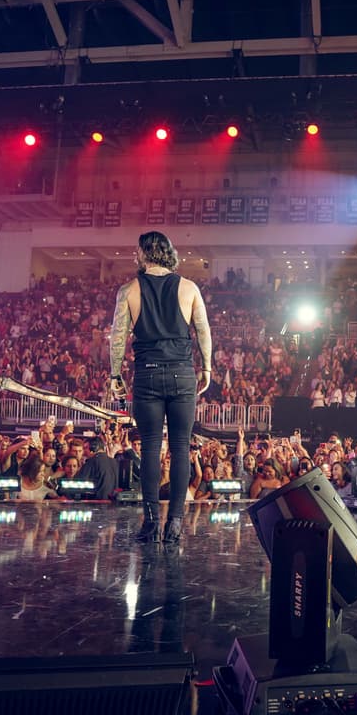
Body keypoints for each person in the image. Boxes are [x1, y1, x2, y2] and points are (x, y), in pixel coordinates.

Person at [109, 231, 212, 544]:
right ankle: (176, 524)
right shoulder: (189, 287)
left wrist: (115, 374)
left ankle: (151, 522)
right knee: (181, 447)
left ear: (143, 254)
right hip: (182, 374)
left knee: (151, 448)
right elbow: (203, 330)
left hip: (147, 374)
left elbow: (118, 337)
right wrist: (206, 366)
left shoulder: (129, 290)